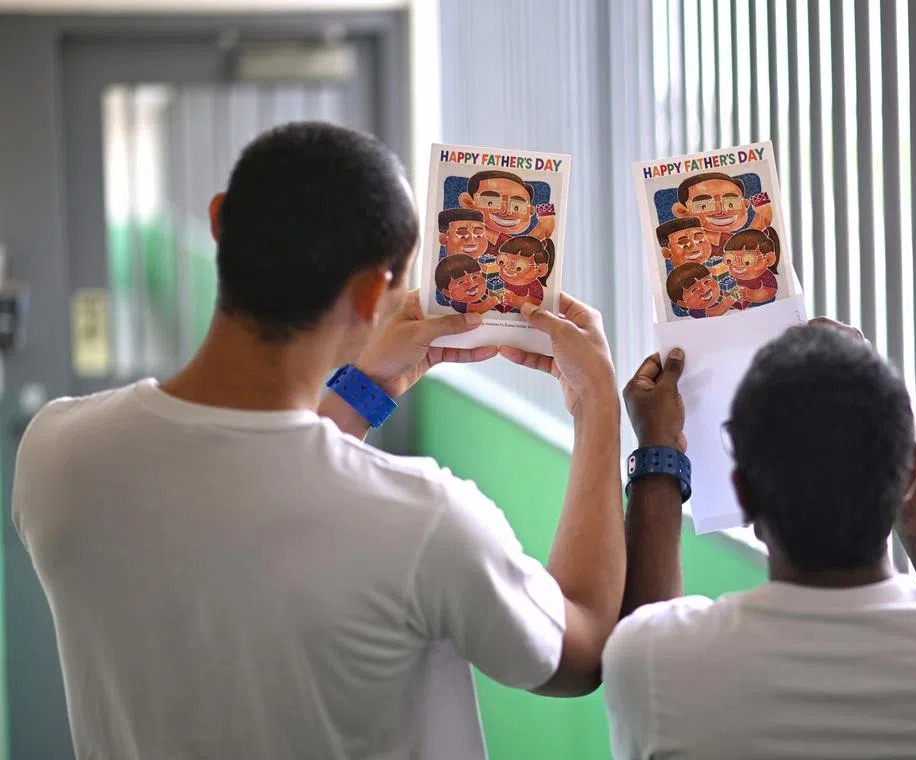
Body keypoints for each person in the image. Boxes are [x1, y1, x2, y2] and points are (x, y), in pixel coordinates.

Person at [13, 122, 625, 760]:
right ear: (371, 294)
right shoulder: (426, 521)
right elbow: (581, 651)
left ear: (220, 221)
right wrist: (597, 406)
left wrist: (368, 387)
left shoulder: (55, 452)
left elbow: (251, 490)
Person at [606, 322, 916, 759]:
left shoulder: (655, 667)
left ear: (745, 496)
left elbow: (642, 625)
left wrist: (658, 453)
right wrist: (876, 418)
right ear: (909, 473)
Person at [458, 170, 556, 246]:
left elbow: (520, 247)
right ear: (468, 203)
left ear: (530, 211)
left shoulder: (502, 240)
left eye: (516, 207)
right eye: (490, 202)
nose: (504, 211)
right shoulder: (462, 231)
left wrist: (545, 223)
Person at [722, 227, 780, 306]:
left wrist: (750, 294)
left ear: (769, 259)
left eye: (747, 261)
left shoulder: (766, 276)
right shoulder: (730, 276)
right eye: (730, 259)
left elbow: (771, 290)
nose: (738, 264)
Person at [496, 235, 554, 311]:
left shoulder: (533, 286)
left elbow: (538, 302)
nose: (509, 267)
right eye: (503, 260)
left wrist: (519, 301)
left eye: (520, 266)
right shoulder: (498, 278)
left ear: (540, 270)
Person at [435, 253, 503, 314]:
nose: (472, 284)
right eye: (461, 282)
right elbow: (476, 310)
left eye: (475, 277)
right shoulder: (458, 304)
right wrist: (489, 303)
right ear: (447, 293)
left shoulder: (484, 293)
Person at [665, 263, 738, 318]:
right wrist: (724, 305)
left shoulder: (720, 293)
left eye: (706, 281)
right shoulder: (695, 311)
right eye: (694, 290)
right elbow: (713, 314)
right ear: (683, 303)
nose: (705, 289)